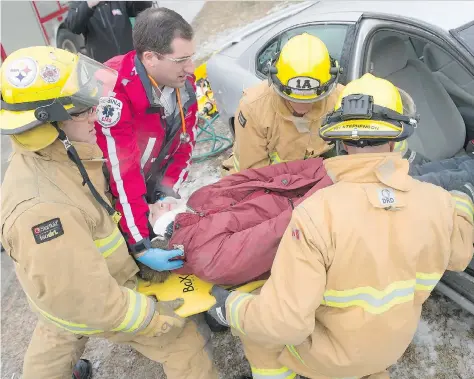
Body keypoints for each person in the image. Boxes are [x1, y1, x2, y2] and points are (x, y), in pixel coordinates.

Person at [206, 73, 474, 379]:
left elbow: (286, 323)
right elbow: (461, 255)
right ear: (397, 137)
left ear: (342, 141)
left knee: (258, 334)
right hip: (392, 346)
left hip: (332, 357)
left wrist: (231, 307)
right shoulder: (438, 203)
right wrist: (462, 201)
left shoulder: (316, 215)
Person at [0, 46, 216, 379]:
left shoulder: (60, 152)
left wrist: (139, 246)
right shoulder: (43, 213)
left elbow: (98, 214)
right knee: (182, 342)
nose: (94, 114)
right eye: (79, 110)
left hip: (62, 292)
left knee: (57, 339)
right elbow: (87, 300)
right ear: (45, 123)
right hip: (85, 296)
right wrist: (149, 316)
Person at [94, 7, 198, 266]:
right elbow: (123, 175)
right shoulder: (114, 94)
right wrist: (140, 244)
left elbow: (184, 145)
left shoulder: (182, 84)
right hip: (109, 195)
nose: (191, 67)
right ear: (150, 58)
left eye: (191, 57)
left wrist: (166, 192)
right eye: (181, 59)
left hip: (145, 188)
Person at [221, 33, 345, 175]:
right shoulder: (253, 108)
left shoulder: (340, 100)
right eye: (294, 99)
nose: (303, 107)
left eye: (311, 100)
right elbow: (254, 175)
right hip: (262, 181)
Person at [65, 0, 153, 63]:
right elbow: (73, 27)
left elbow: (143, 6)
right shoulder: (79, 2)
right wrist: (88, 5)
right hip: (105, 66)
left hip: (130, 60)